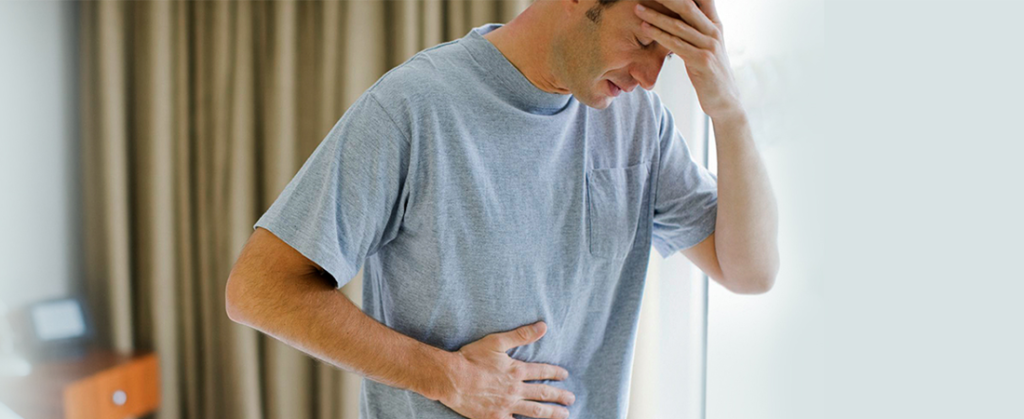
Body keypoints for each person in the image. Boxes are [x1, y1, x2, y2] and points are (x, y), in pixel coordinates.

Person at [225, 0, 779, 417]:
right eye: (642, 41)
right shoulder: (415, 106)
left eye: (670, 56)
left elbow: (751, 271)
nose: (649, 78)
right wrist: (449, 378)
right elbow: (258, 288)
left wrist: (728, 110)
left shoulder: (640, 124)